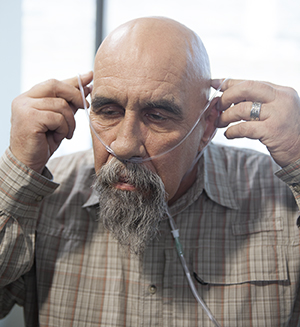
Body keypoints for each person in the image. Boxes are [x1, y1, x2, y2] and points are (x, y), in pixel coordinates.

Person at [0, 16, 300, 327]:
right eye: (109, 111)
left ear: (206, 126)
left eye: (157, 116)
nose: (125, 144)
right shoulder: (44, 197)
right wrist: (17, 170)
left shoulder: (280, 200)